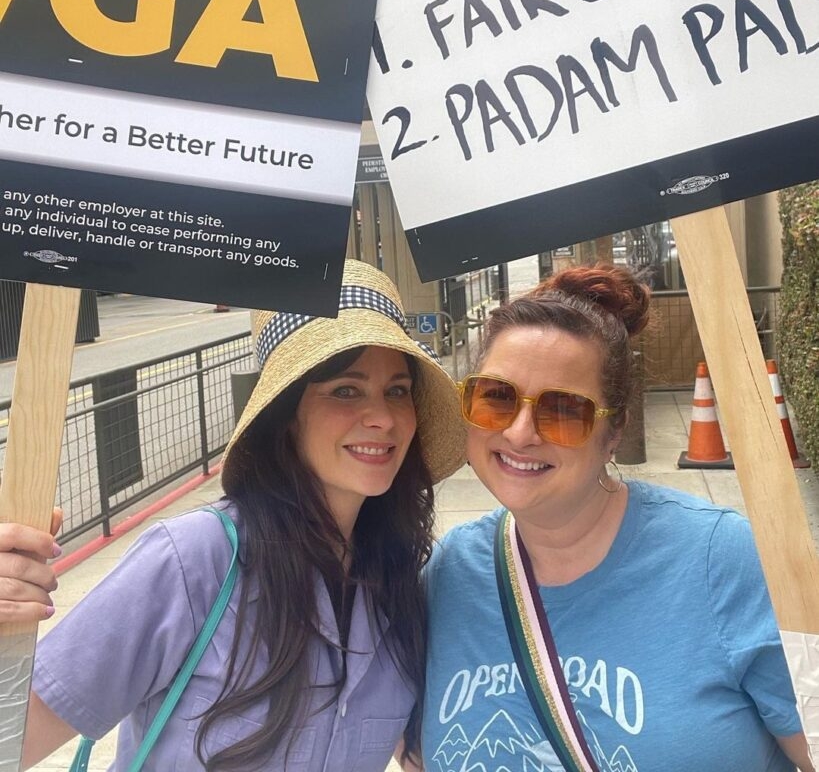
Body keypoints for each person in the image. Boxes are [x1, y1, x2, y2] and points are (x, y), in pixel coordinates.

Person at [0, 259, 466, 770]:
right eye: (345, 390)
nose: (382, 417)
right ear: (286, 416)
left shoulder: (399, 578)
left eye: (397, 391)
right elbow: (11, 737)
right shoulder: (193, 562)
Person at [421, 263, 813, 772]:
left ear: (614, 432)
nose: (519, 434)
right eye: (496, 397)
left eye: (563, 409)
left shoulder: (725, 561)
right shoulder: (449, 575)